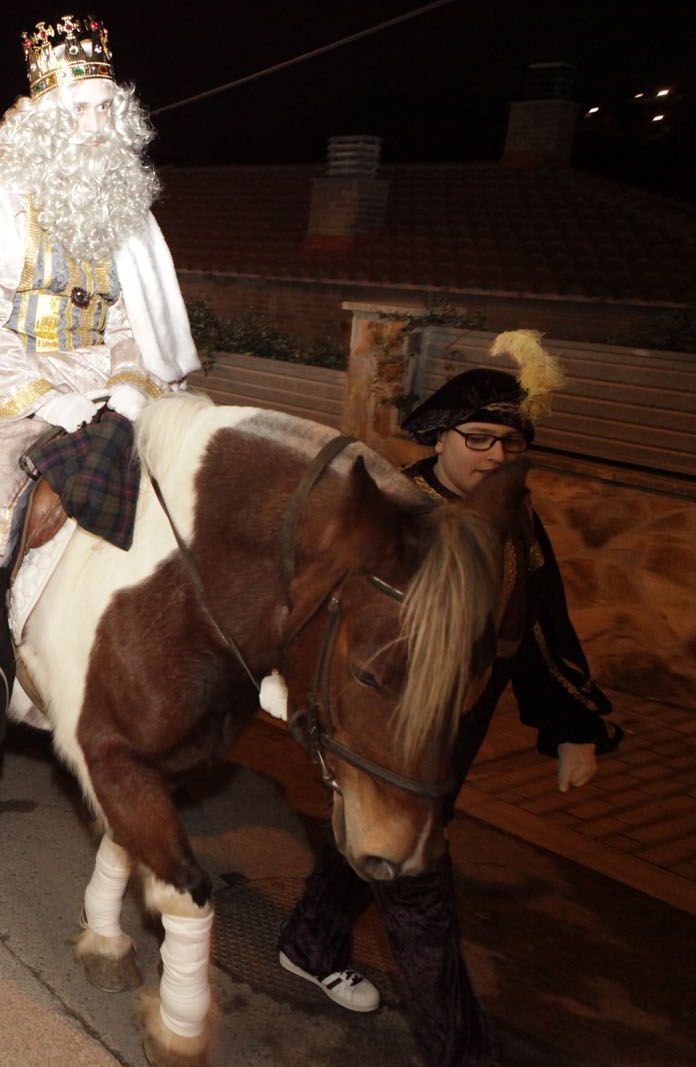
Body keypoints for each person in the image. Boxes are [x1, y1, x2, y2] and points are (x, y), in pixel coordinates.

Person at [275, 333, 622, 1067]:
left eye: (511, 443)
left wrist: (571, 727)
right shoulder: (397, 516)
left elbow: (540, 623)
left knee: (377, 847)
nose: (496, 455)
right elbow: (320, 611)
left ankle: (311, 942)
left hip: (458, 724)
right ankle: (459, 1053)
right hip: (388, 729)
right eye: (479, 439)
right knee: (419, 890)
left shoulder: (513, 521)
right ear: (439, 437)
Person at [0, 15, 199, 747]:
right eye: (79, 109)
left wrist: (127, 388)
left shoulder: (126, 210)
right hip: (16, 391)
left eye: (105, 109)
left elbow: (135, 320)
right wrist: (47, 398)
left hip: (111, 385)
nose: (95, 124)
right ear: (45, 118)